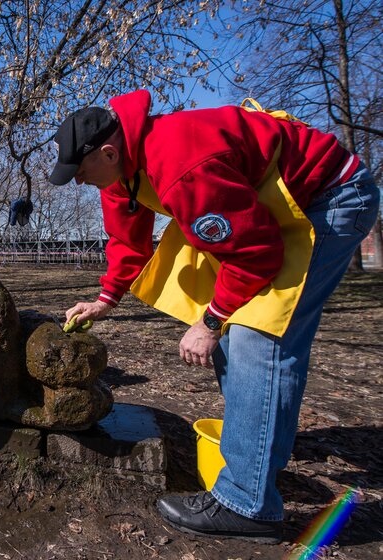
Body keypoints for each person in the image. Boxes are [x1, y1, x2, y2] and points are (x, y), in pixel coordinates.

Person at [49, 90, 379, 543]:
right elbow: (128, 239)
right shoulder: (119, 169)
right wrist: (106, 298)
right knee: (240, 333)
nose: (81, 183)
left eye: (83, 174)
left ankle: (247, 503)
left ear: (108, 152)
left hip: (330, 197)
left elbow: (256, 255)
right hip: (265, 210)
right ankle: (260, 453)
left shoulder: (182, 163)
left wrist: (209, 323)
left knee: (257, 335)